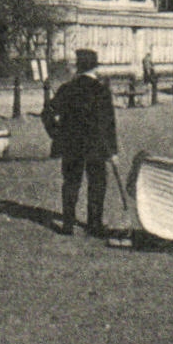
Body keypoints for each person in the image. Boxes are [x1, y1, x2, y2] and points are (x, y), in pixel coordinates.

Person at [41, 49, 118, 237]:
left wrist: (56, 134)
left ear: (78, 67)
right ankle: (94, 224)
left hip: (71, 144)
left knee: (71, 183)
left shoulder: (67, 89)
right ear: (95, 67)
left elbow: (47, 113)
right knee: (97, 183)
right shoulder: (101, 91)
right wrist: (113, 151)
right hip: (96, 145)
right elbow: (108, 124)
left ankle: (67, 224)